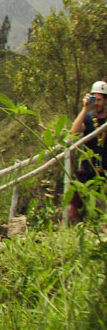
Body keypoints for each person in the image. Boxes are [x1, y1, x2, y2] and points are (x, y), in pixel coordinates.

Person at [66, 80, 107, 223]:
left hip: (104, 172)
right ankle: (67, 230)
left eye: (99, 100)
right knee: (73, 205)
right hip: (87, 169)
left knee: (102, 207)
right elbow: (75, 132)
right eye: (94, 99)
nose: (97, 103)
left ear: (105, 100)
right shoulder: (88, 117)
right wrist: (84, 109)